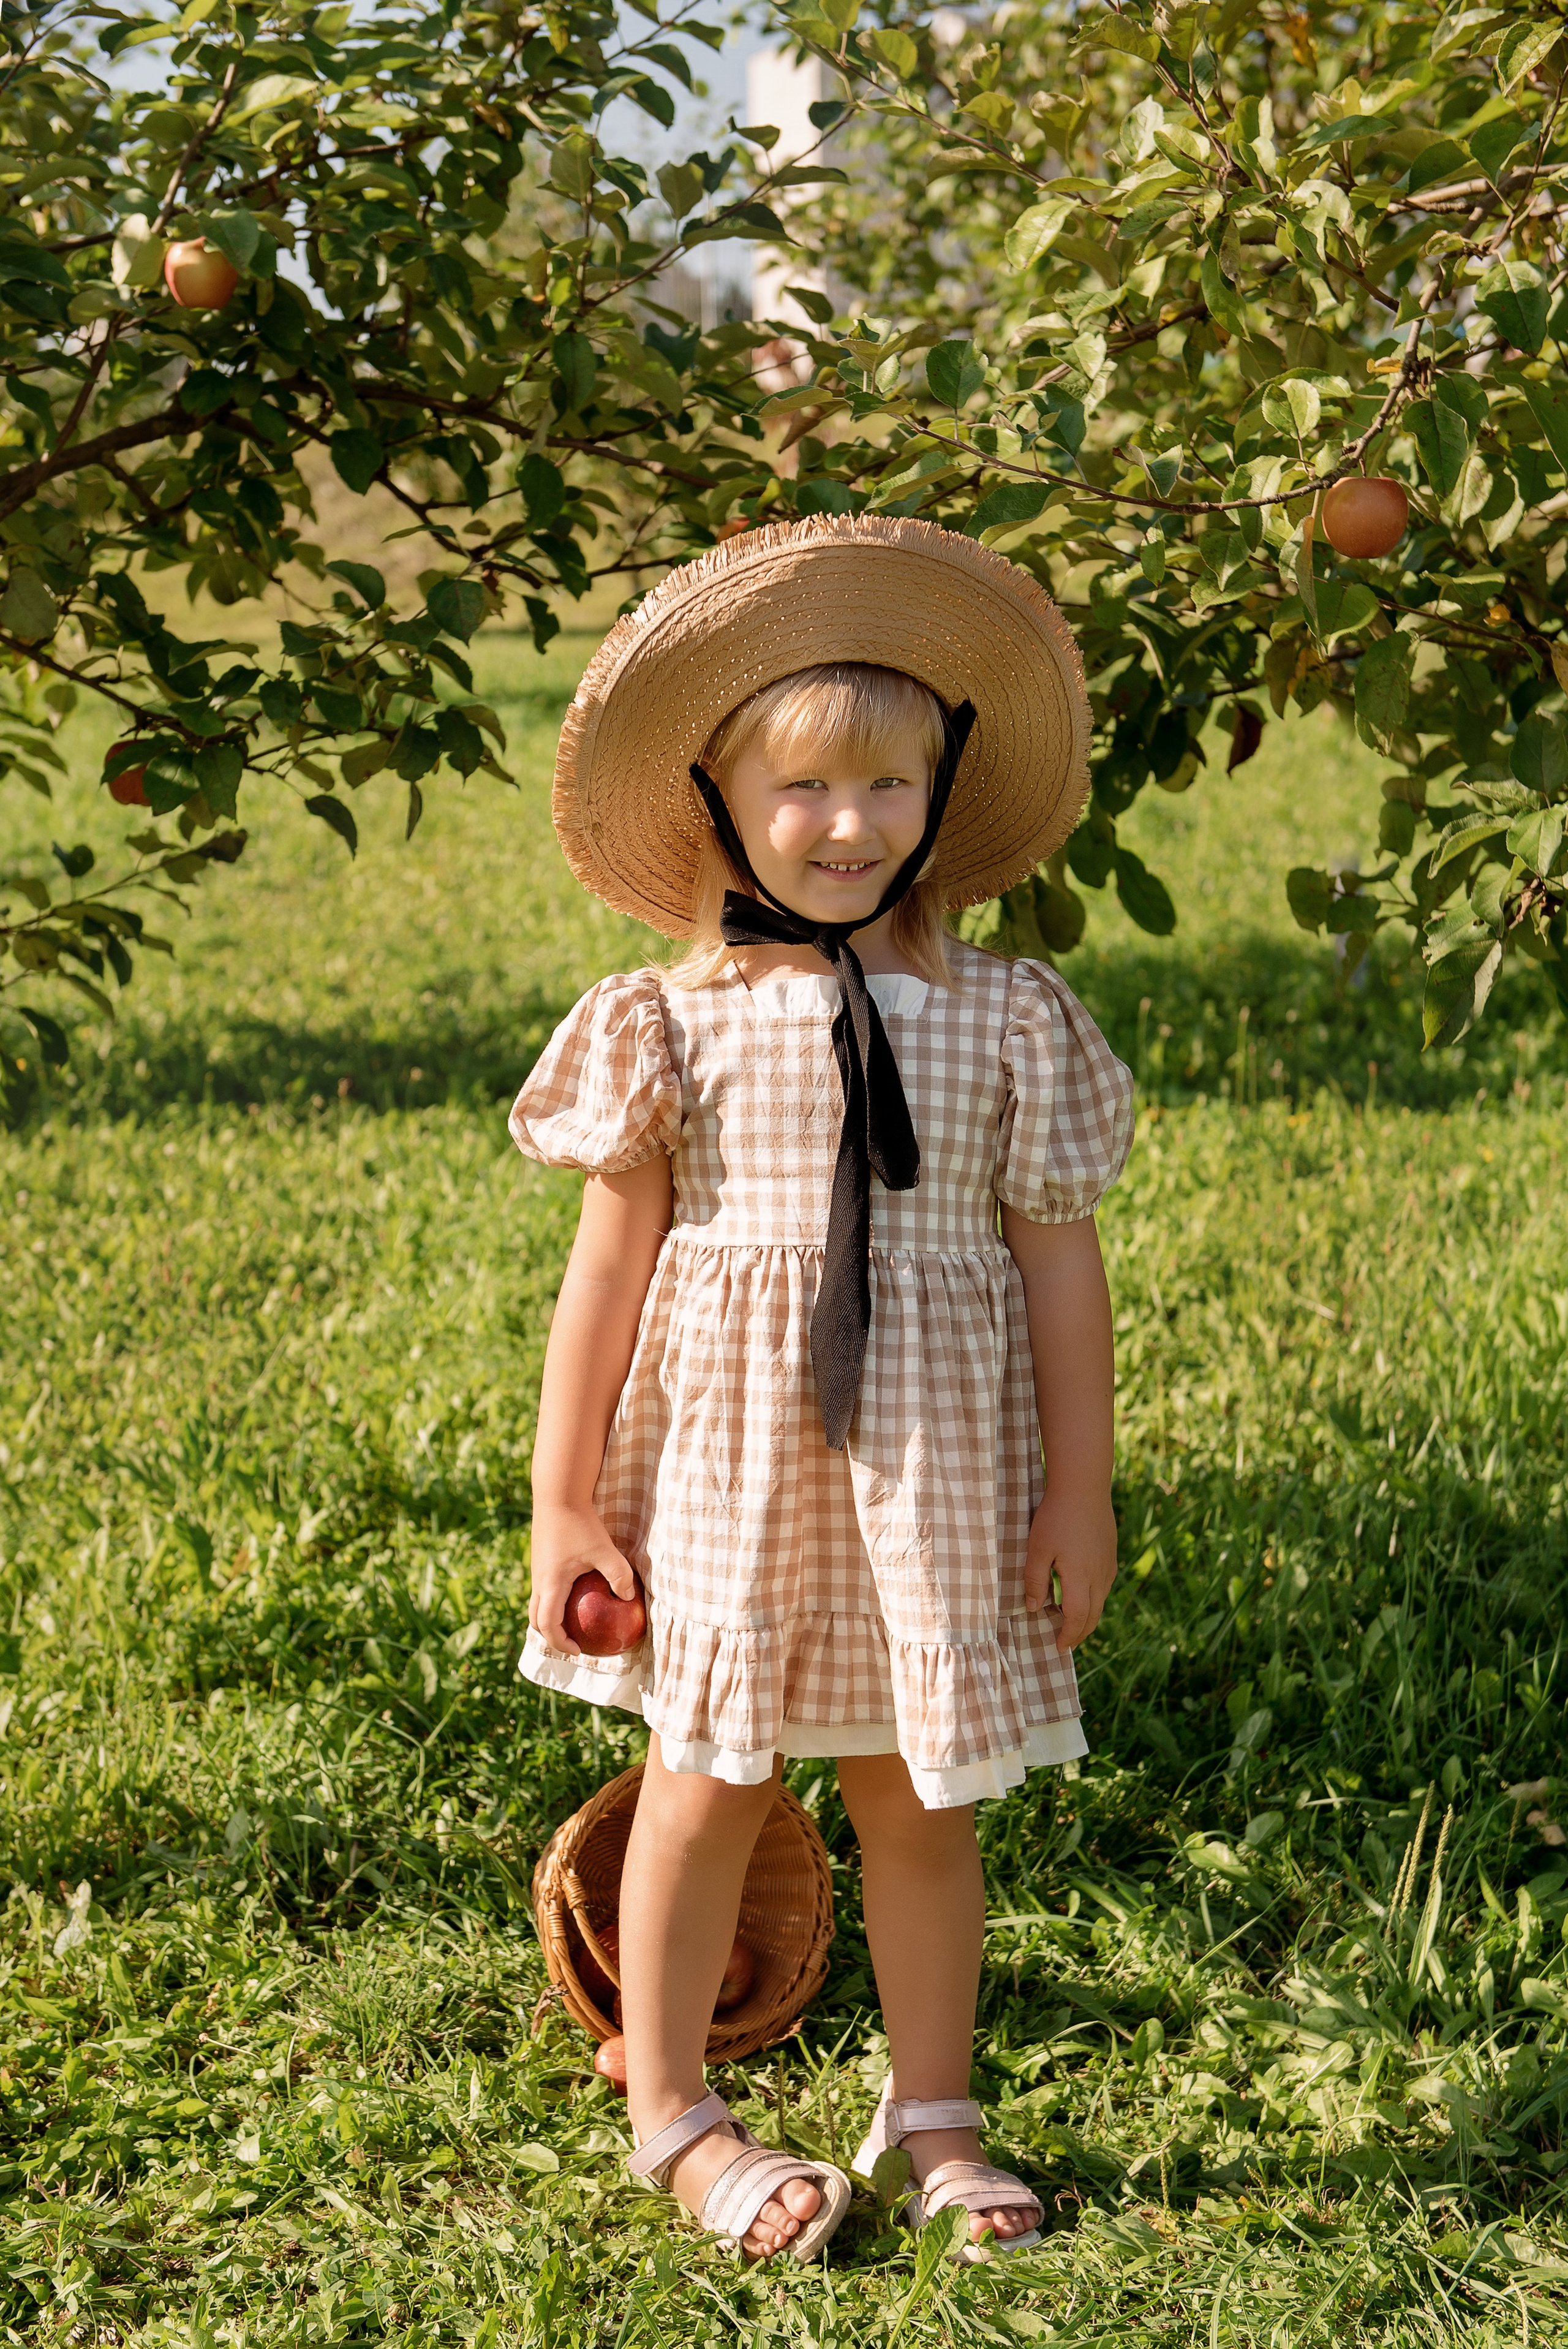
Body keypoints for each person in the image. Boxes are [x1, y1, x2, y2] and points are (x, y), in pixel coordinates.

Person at [512, 517, 1134, 2266]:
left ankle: (932, 2105)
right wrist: (568, 1493)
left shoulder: (1006, 1017)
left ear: (938, 796)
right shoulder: (671, 1018)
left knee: (921, 1795)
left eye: (888, 783)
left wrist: (1076, 1488)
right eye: (803, 785)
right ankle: (676, 2109)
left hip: (934, 1467)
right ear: (719, 795)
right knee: (705, 1775)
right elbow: (608, 1273)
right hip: (726, 1467)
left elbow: (1058, 1266)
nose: (849, 821)